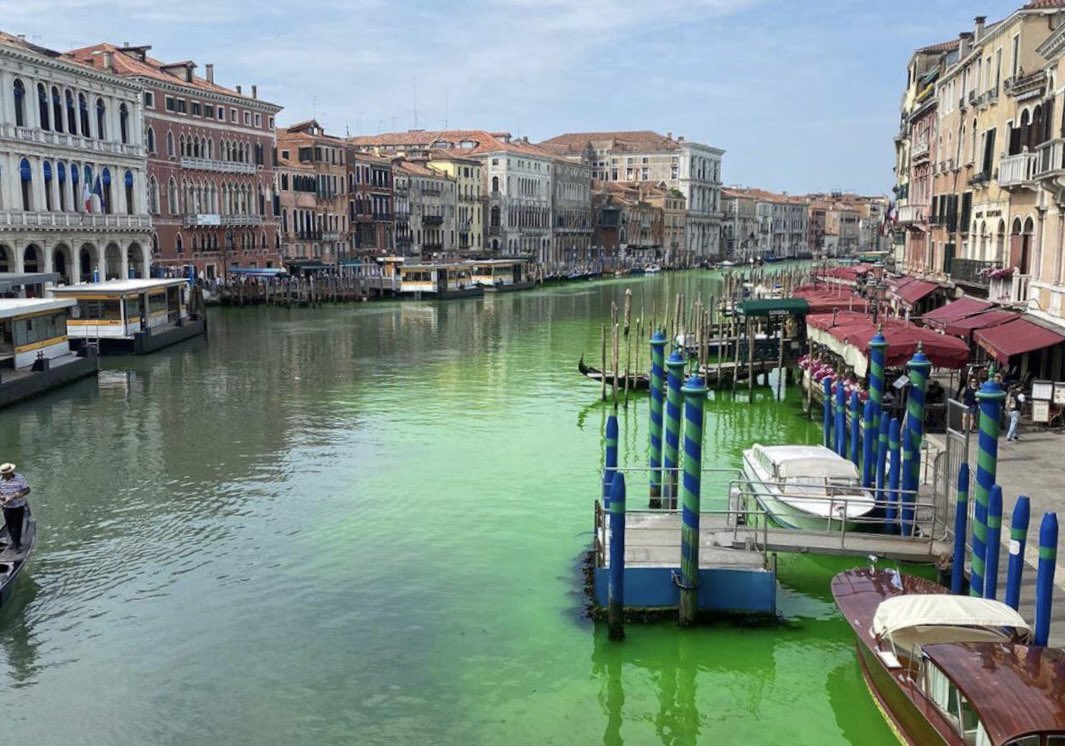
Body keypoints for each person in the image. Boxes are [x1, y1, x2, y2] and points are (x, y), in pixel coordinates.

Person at [0, 463, 29, 552]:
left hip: (18, 505)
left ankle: (17, 544)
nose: (4, 475)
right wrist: (3, 497)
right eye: (3, 474)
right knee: (9, 525)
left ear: (11, 472)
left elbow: (27, 489)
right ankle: (14, 542)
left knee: (17, 526)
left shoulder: (19, 478)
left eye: (6, 474)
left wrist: (16, 496)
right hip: (6, 506)